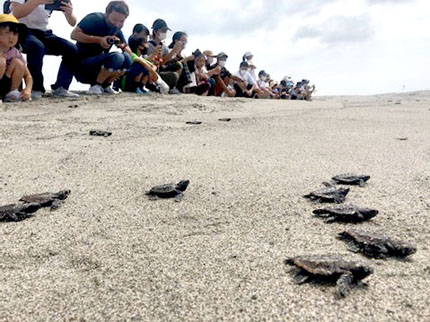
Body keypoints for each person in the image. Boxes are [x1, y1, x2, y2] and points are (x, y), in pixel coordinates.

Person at [10, 0, 79, 99]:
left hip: (44, 32)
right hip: (22, 29)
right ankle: (36, 88)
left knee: (71, 49)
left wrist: (69, 13)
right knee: (37, 47)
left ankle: (61, 88)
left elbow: (73, 22)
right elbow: (15, 13)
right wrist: (37, 1)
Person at [71, 0, 133, 95]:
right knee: (117, 57)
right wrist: (100, 40)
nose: (117, 24)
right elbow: (74, 35)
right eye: (114, 19)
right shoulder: (95, 18)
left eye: (121, 21)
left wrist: (121, 44)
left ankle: (106, 85)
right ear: (107, 14)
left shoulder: (117, 29)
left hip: (98, 65)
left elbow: (129, 52)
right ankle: (96, 86)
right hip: (82, 64)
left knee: (127, 58)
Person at [121, 23, 168, 94]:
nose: (145, 38)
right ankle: (138, 87)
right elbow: (143, 62)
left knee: (145, 67)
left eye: (146, 35)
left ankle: (141, 87)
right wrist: (153, 72)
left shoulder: (142, 54)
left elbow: (148, 62)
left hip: (145, 76)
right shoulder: (130, 52)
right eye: (144, 35)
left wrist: (153, 67)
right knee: (141, 67)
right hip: (127, 80)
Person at [0, 14, 32, 102]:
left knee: (18, 63)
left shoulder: (15, 52)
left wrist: (28, 89)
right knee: (1, 61)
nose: (11, 37)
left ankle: (12, 92)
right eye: (7, 33)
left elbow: (27, 75)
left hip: (6, 83)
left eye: (15, 34)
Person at [146, 19, 183, 94]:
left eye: (165, 31)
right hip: (152, 73)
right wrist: (173, 51)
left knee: (179, 65)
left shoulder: (164, 47)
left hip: (161, 70)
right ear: (156, 31)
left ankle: (172, 87)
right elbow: (160, 62)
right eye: (163, 31)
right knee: (173, 76)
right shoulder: (149, 46)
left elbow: (166, 61)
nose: (164, 33)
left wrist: (176, 56)